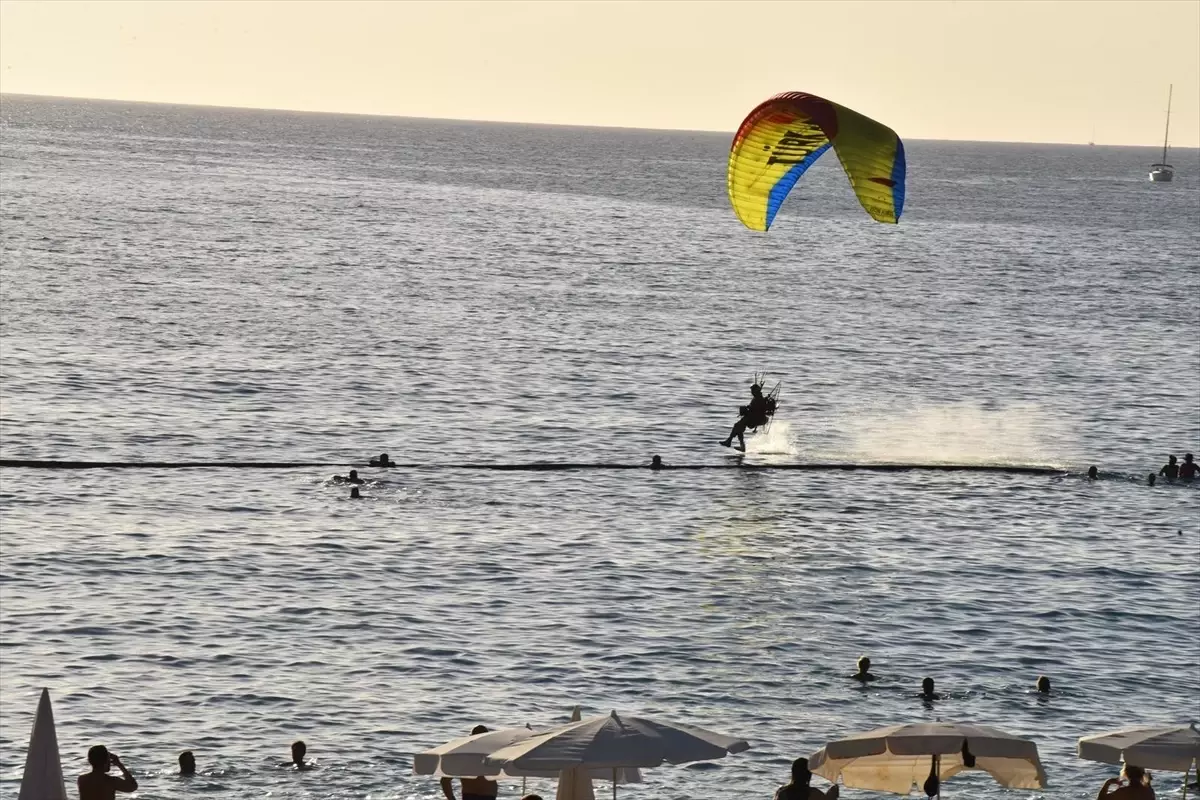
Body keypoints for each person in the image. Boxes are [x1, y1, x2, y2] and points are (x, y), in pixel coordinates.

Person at [441, 726, 498, 800]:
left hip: (473, 795)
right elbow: (445, 780)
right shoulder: (494, 754)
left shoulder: (462, 756)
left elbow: (445, 780)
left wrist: (451, 798)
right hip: (485, 796)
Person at [720, 383, 773, 451]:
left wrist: (746, 410)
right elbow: (753, 409)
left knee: (737, 426)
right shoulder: (758, 398)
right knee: (738, 427)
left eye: (752, 390)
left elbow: (755, 410)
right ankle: (734, 443)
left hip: (755, 419)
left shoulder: (758, 399)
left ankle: (732, 442)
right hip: (754, 418)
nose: (751, 392)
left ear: (755, 391)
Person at [774, 756, 839, 799]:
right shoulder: (814, 793)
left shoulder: (782, 792)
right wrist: (833, 794)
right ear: (809, 775)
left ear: (793, 772)